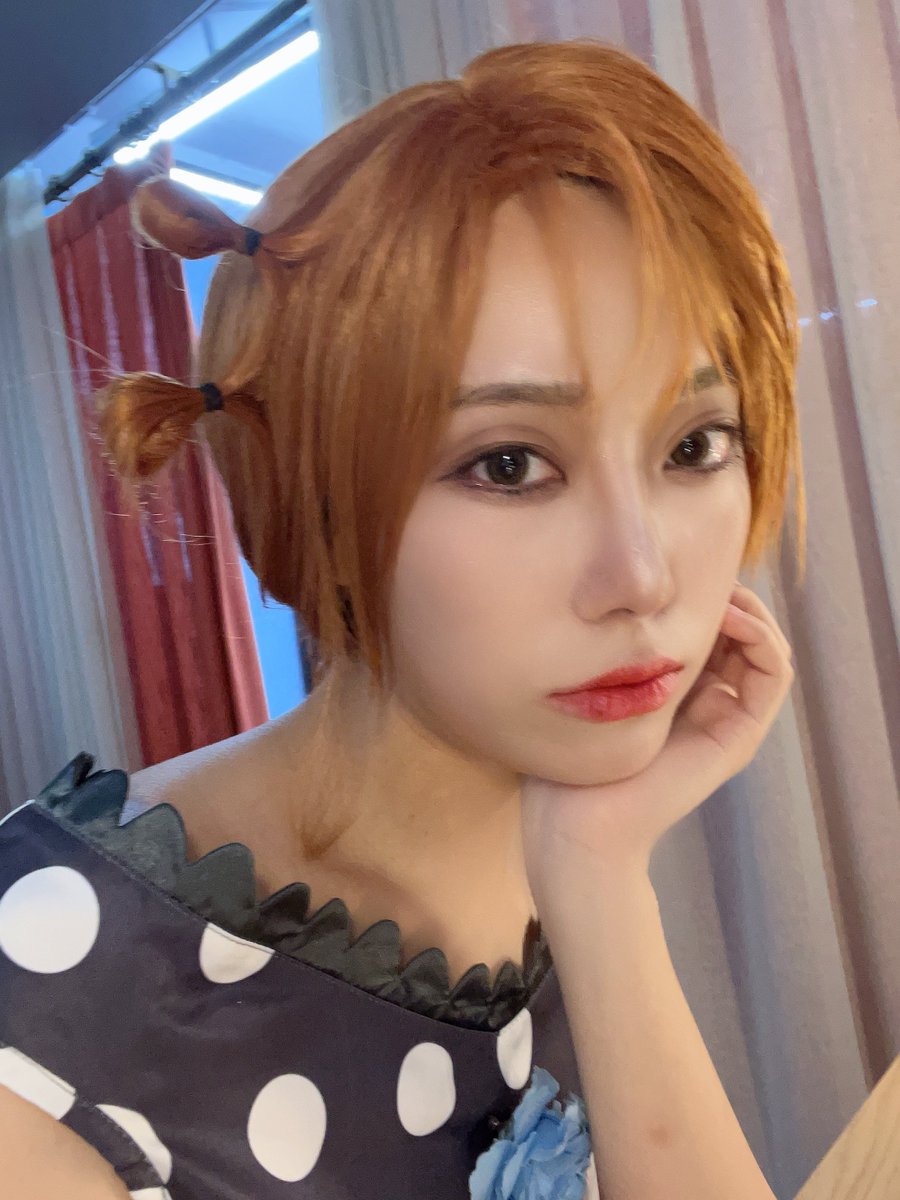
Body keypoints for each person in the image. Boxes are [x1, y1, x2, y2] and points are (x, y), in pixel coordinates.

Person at [0, 38, 803, 1200]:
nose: (640, 576)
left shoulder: (550, 842)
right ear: (316, 496)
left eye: (695, 445)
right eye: (510, 463)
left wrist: (598, 876)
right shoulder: (49, 1019)